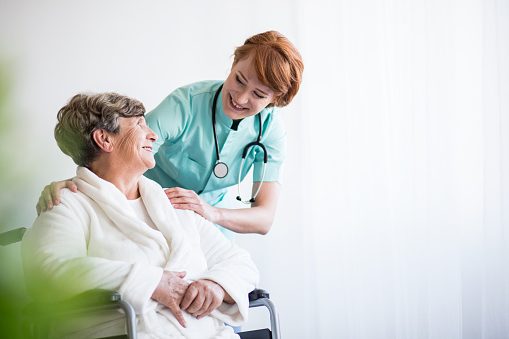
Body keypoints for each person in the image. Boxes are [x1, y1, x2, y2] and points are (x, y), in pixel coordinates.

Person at [22, 93, 259, 339]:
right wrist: (152, 282)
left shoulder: (173, 206)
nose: (153, 135)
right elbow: (51, 271)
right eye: (139, 125)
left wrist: (216, 285)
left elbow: (240, 261)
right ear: (104, 139)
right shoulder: (67, 205)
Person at [36, 30, 304, 238]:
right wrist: (75, 185)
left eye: (258, 95)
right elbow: (120, 149)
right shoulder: (185, 104)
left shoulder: (270, 131)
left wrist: (211, 213)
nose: (241, 98)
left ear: (275, 100)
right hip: (145, 214)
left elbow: (264, 218)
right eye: (239, 80)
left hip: (210, 229)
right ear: (234, 63)